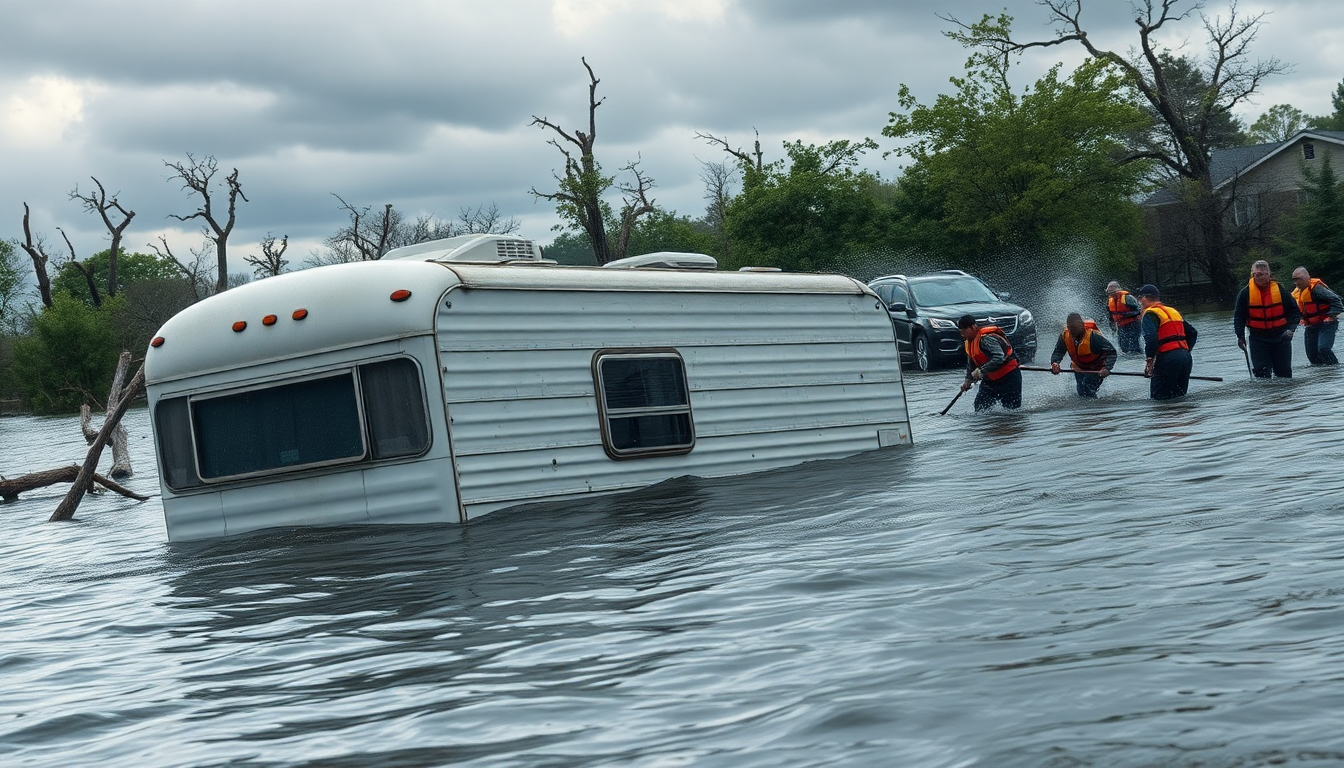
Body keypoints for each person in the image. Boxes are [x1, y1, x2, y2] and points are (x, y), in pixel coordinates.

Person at [1233, 260, 1301, 378]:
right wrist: (1240, 337)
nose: (1261, 277)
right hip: (1258, 338)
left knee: (1284, 374)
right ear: (1252, 275)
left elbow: (1294, 312)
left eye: (1264, 274)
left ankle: (1286, 396)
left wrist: (1291, 330)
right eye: (1258, 274)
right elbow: (1239, 316)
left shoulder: (1280, 291)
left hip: (1281, 337)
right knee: (1262, 375)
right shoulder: (1245, 293)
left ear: (1269, 274)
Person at [1136, 284, 1199, 400]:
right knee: (1179, 397)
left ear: (1145, 298)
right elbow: (1192, 332)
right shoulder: (1173, 311)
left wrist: (1149, 361)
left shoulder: (1149, 314)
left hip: (1168, 359)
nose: (1138, 301)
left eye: (1139, 298)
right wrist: (1183, 351)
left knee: (1159, 400)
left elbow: (1151, 338)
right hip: (1185, 358)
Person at [958, 314, 1022, 411]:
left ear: (972, 327)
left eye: (964, 332)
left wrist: (981, 371)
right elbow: (971, 363)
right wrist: (968, 379)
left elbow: (999, 357)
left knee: (1012, 411)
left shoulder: (986, 338)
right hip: (990, 381)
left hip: (1009, 378)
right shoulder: (969, 342)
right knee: (980, 409)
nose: (962, 335)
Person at [1049, 313, 1118, 397]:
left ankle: (1094, 409)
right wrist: (1055, 363)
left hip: (1096, 369)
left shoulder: (1094, 337)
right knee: (1081, 391)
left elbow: (1111, 352)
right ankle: (1086, 409)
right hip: (1079, 367)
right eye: (1070, 328)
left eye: (1074, 328)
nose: (1072, 332)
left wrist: (1107, 368)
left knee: (1087, 390)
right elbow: (1058, 352)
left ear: (1082, 325)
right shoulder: (1065, 335)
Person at [1290, 266, 1342, 365]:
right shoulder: (1296, 293)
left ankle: (1336, 370)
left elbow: (1337, 301)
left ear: (1307, 278)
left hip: (1327, 324)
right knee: (1313, 357)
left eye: (1298, 279)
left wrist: (1331, 316)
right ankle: (1322, 377)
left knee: (1323, 349)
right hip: (1311, 326)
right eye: (1294, 280)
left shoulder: (1317, 289)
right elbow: (1293, 311)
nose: (1296, 283)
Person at [1105, 281, 1143, 354]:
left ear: (1118, 290)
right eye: (1110, 292)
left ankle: (1137, 358)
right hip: (1121, 326)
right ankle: (1126, 359)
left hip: (1133, 324)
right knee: (1123, 347)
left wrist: (1126, 315)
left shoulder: (1127, 297)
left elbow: (1139, 310)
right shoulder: (1109, 301)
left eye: (1113, 292)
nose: (1111, 294)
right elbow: (1111, 315)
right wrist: (1112, 327)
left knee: (1134, 346)